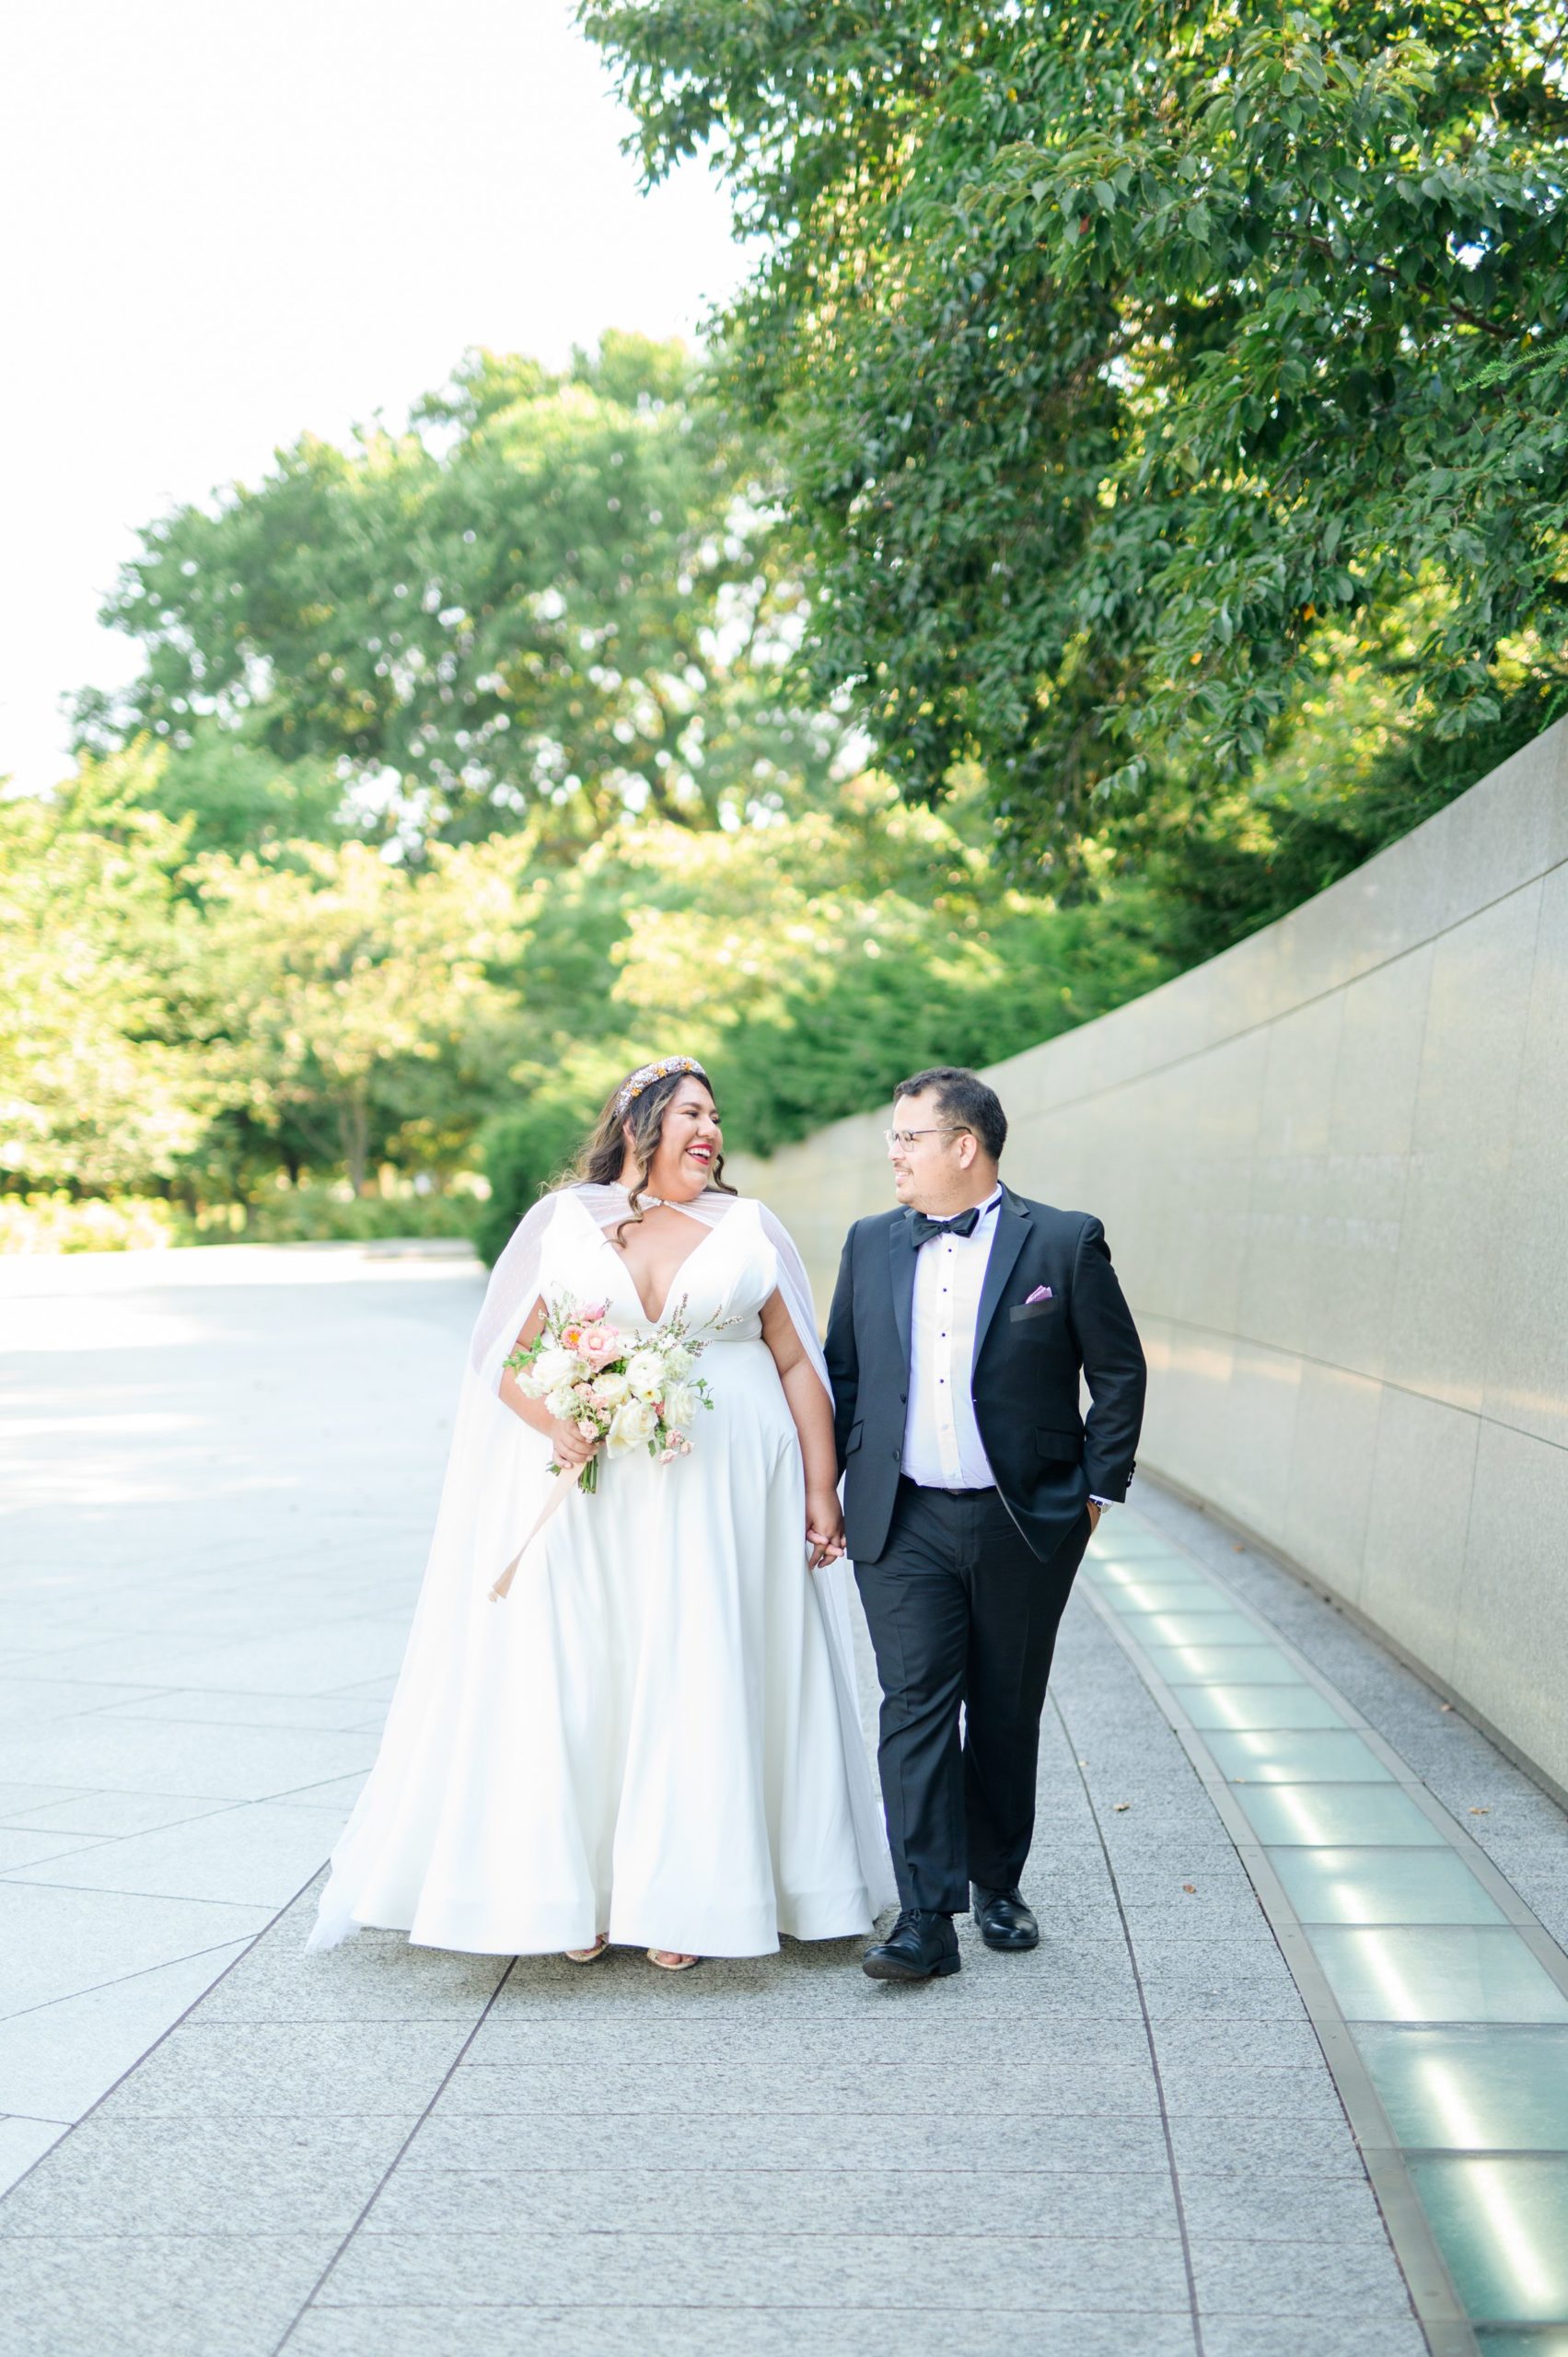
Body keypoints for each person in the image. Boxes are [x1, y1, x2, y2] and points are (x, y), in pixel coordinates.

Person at [308, 1056, 892, 1968]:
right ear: (638, 1124)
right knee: (593, 1670)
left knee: (705, 1667)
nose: (710, 1131)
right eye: (690, 1113)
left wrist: (822, 1492)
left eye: (715, 1116)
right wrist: (561, 1424)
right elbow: (505, 1358)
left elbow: (794, 1362)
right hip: (602, 1488)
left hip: (730, 1485)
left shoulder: (747, 1225)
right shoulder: (565, 1224)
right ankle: (577, 1893)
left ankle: (694, 1898)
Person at [826, 1066, 1145, 1981]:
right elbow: (843, 1372)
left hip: (1023, 1518)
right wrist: (836, 1483)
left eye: (906, 1137)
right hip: (904, 1518)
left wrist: (1093, 1491)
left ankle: (997, 1883)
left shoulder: (1063, 1241)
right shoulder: (868, 1242)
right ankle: (925, 1915)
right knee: (914, 1705)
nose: (891, 1151)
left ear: (962, 1146)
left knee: (1002, 1707)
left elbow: (1117, 1372)